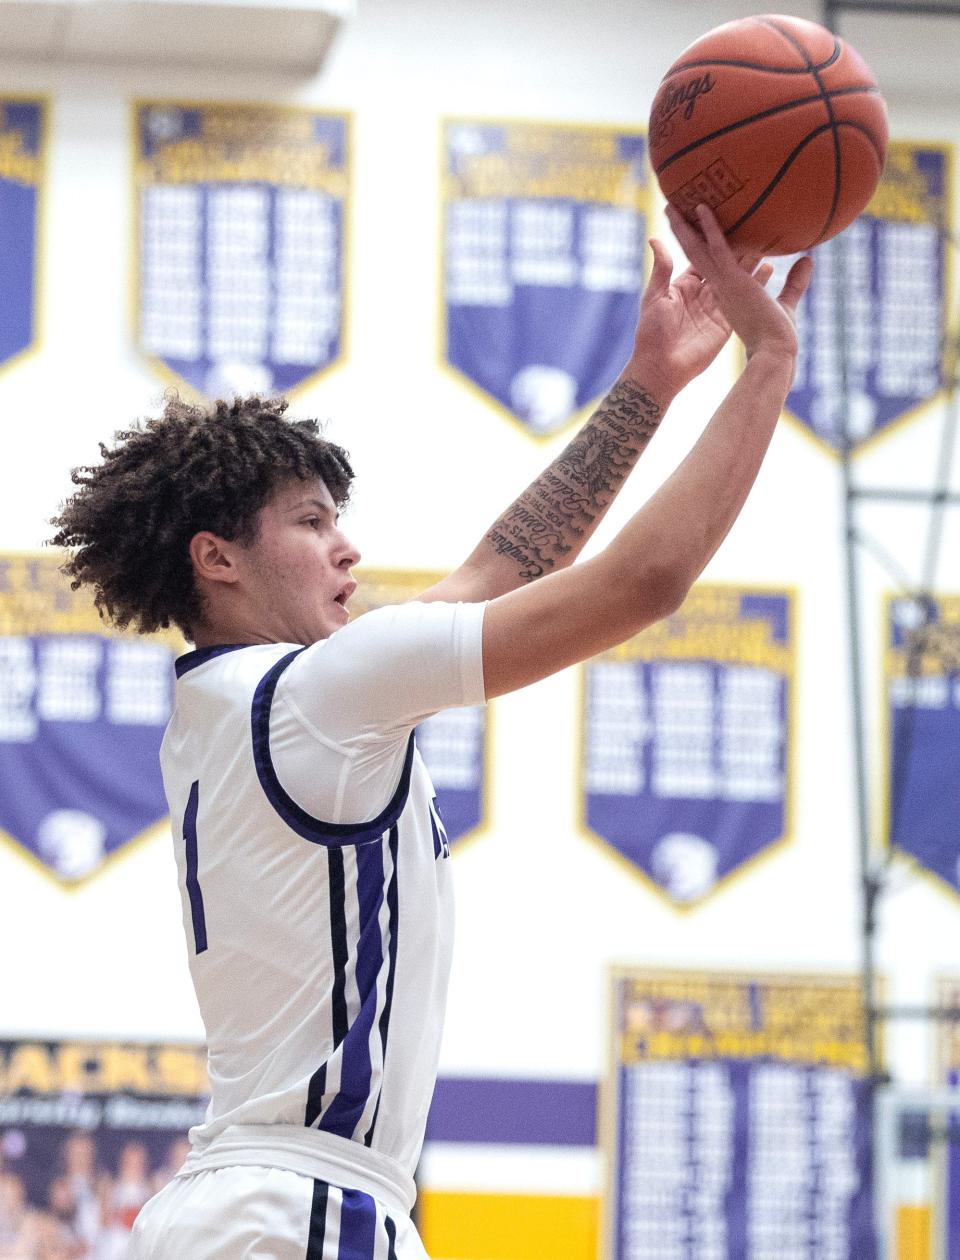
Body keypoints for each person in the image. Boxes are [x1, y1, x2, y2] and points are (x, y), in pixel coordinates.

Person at [49, 205, 811, 1259]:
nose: (348, 550)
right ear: (218, 559)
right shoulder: (319, 693)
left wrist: (650, 386)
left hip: (242, 1204)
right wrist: (768, 361)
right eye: (313, 523)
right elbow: (647, 581)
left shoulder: (234, 700)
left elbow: (498, 573)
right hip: (296, 1210)